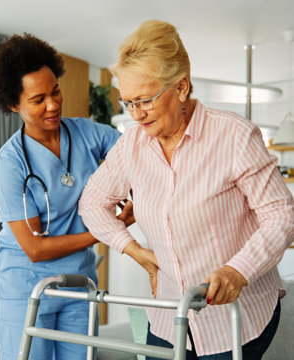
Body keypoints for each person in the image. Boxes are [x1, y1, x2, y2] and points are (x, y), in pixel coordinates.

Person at [78, 20, 294, 360]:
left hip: (235, 320)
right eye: (128, 103)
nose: (136, 115)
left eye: (145, 100)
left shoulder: (235, 136)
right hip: (168, 317)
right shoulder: (131, 145)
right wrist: (135, 251)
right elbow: (92, 203)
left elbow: (281, 215)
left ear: (181, 87)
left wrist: (238, 270)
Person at [0, 33, 133, 360]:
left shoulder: (86, 133)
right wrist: (105, 231)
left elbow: (137, 154)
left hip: (79, 284)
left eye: (55, 92)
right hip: (26, 289)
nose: (53, 104)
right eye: (38, 100)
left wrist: (133, 191)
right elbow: (35, 248)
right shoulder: (9, 164)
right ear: (14, 104)